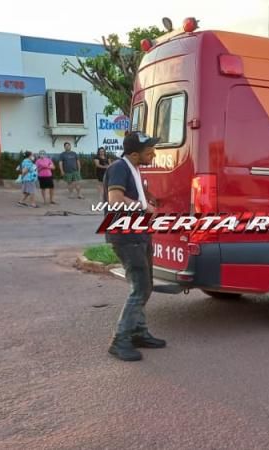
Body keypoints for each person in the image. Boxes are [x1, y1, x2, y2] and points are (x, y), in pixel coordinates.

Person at [104, 131, 164, 362]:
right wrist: (144, 206)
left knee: (146, 285)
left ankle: (139, 332)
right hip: (126, 236)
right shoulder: (119, 167)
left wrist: (147, 198)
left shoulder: (135, 169)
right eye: (149, 150)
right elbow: (115, 200)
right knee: (139, 288)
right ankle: (120, 340)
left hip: (139, 234)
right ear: (134, 154)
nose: (154, 153)